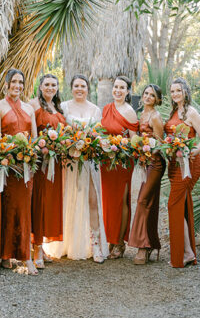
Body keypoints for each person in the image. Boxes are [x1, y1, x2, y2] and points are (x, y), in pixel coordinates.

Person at [45, 74, 109, 262]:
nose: (79, 89)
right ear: (71, 88)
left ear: (88, 89)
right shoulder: (63, 107)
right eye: (76, 86)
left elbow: (98, 134)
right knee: (68, 197)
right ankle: (65, 243)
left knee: (92, 200)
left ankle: (95, 245)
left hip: (89, 160)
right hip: (69, 161)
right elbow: (60, 132)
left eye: (83, 86)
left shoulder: (96, 110)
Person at [0, 68, 39, 275]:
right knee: (8, 209)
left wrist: (30, 153)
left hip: (27, 167)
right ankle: (5, 254)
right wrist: (10, 157)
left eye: (20, 82)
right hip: (9, 167)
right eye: (14, 82)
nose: (17, 86)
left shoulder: (29, 108)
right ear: (7, 83)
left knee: (24, 209)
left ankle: (26, 256)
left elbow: (34, 137)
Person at [166, 77, 200, 268]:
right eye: (173, 91)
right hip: (176, 165)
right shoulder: (175, 111)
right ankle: (188, 252)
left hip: (189, 165)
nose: (175, 94)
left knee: (173, 205)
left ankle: (185, 253)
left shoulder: (192, 113)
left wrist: (189, 152)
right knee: (181, 206)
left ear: (186, 92)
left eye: (178, 90)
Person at [29, 73, 66, 268]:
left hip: (56, 164)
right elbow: (29, 132)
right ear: (40, 87)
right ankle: (35, 250)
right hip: (41, 164)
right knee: (39, 203)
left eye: (54, 84)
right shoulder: (34, 105)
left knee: (50, 205)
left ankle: (42, 247)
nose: (50, 87)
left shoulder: (57, 107)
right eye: (47, 84)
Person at [100, 75, 138, 259]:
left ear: (128, 91)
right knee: (108, 202)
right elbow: (100, 133)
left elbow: (134, 141)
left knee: (121, 201)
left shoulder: (130, 112)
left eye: (122, 87)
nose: (118, 90)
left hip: (122, 162)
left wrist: (120, 147)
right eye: (116, 87)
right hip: (106, 162)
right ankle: (109, 238)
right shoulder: (106, 109)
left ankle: (119, 242)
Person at [127, 84, 165, 264]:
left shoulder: (156, 117)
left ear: (157, 99)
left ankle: (142, 247)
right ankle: (150, 243)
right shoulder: (141, 114)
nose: (148, 97)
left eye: (152, 95)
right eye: (146, 93)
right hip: (145, 162)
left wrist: (146, 153)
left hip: (155, 164)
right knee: (148, 202)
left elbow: (160, 144)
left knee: (142, 200)